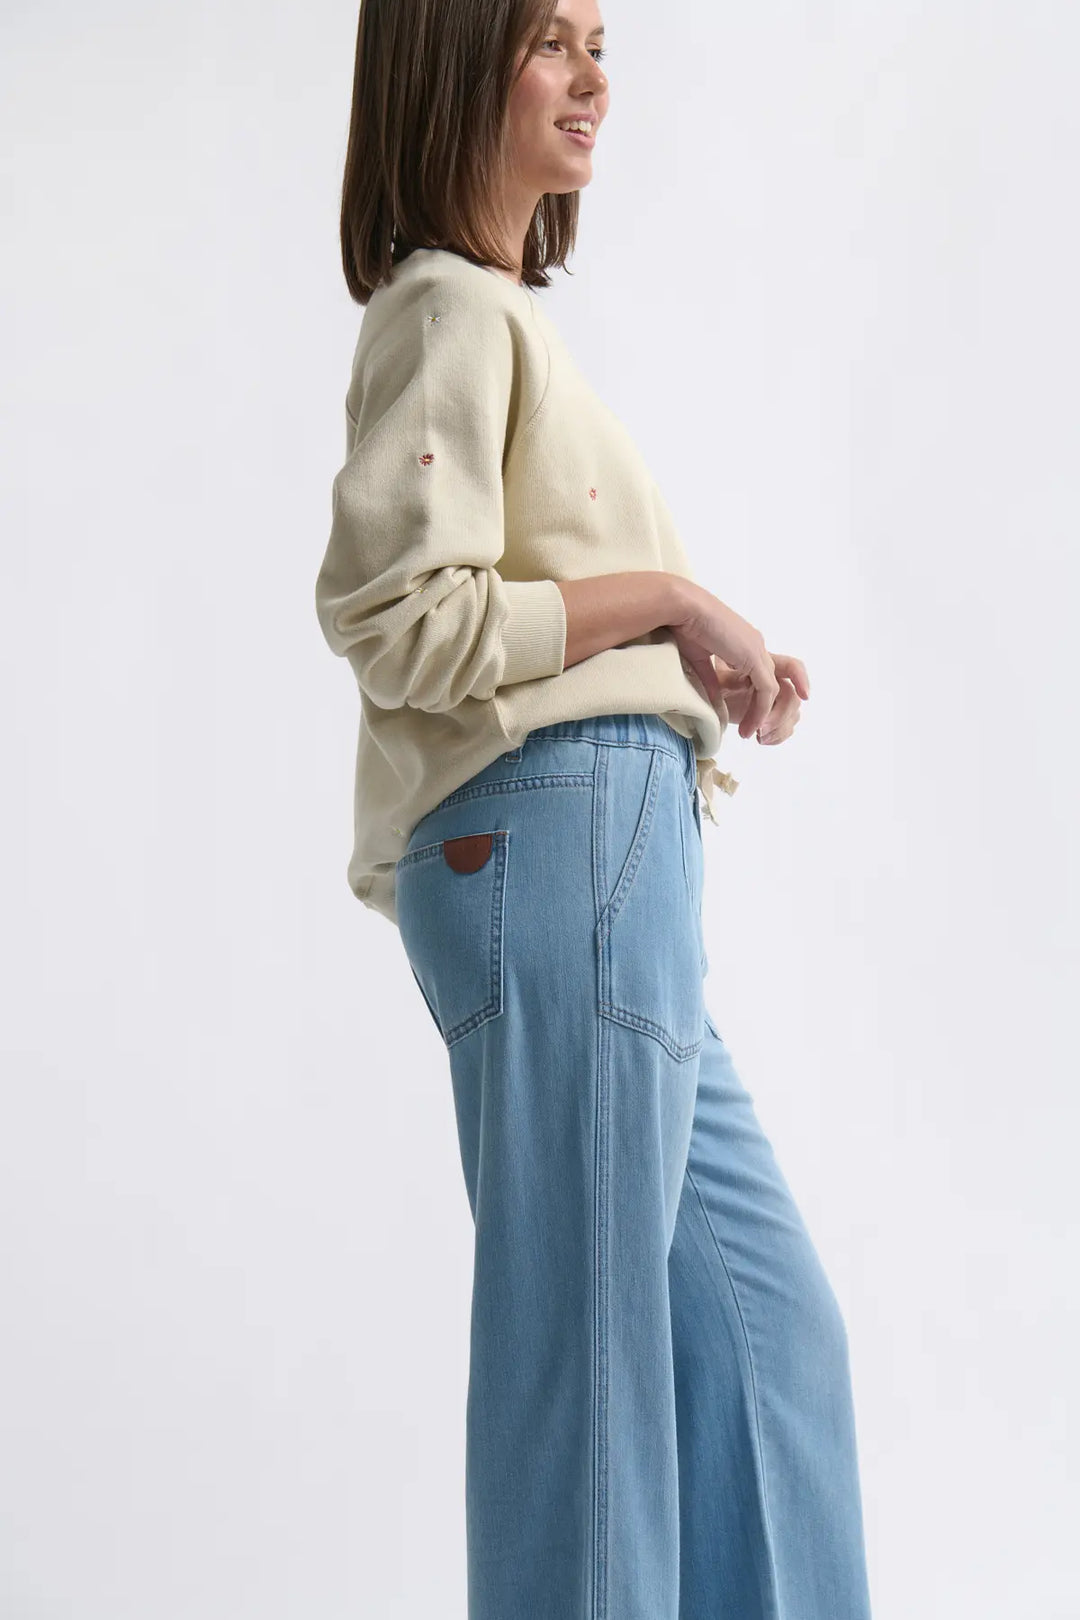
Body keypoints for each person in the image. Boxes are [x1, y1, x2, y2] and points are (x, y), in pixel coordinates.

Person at [314, 1, 874, 1615]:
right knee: (598, 1370)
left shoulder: (495, 320)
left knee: (767, 1340)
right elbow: (404, 617)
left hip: (609, 861)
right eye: (550, 41)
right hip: (553, 843)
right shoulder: (441, 310)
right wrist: (667, 604)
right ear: (449, 64)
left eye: (600, 39)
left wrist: (685, 648)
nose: (595, 76)